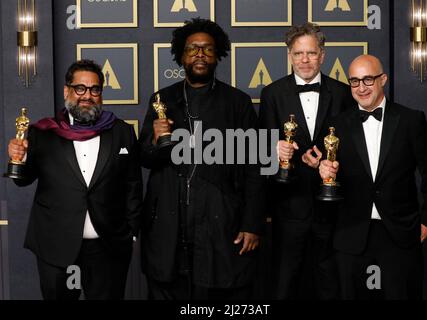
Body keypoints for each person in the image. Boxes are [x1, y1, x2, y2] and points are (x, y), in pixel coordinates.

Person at [139, 18, 265, 300]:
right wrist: (156, 140)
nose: (199, 54)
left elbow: (255, 168)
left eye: (207, 49)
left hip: (220, 223)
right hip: (169, 224)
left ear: (217, 55)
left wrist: (252, 223)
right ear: (181, 55)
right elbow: (145, 158)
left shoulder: (238, 103)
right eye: (192, 49)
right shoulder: (161, 99)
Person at [7, 59, 143, 300]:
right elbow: (23, 180)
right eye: (80, 88)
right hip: (55, 245)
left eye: (94, 89)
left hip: (107, 247)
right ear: (67, 91)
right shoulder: (43, 132)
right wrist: (19, 157)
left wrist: (131, 232)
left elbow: (132, 184)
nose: (87, 96)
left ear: (101, 92)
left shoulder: (121, 131)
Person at [318, 54, 427, 299]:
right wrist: (323, 170)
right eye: (354, 81)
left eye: (368, 79)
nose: (361, 88)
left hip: (399, 234)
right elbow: (326, 172)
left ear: (383, 79)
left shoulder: (410, 120)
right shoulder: (336, 125)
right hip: (350, 235)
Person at [259, 22, 355, 299]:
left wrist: (327, 163)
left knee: (331, 282)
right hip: (288, 208)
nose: (305, 60)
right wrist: (273, 149)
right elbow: (262, 149)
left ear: (323, 55)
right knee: (284, 282)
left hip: (334, 210)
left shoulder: (342, 93)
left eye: (311, 53)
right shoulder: (272, 93)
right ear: (289, 55)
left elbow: (354, 149)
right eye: (298, 53)